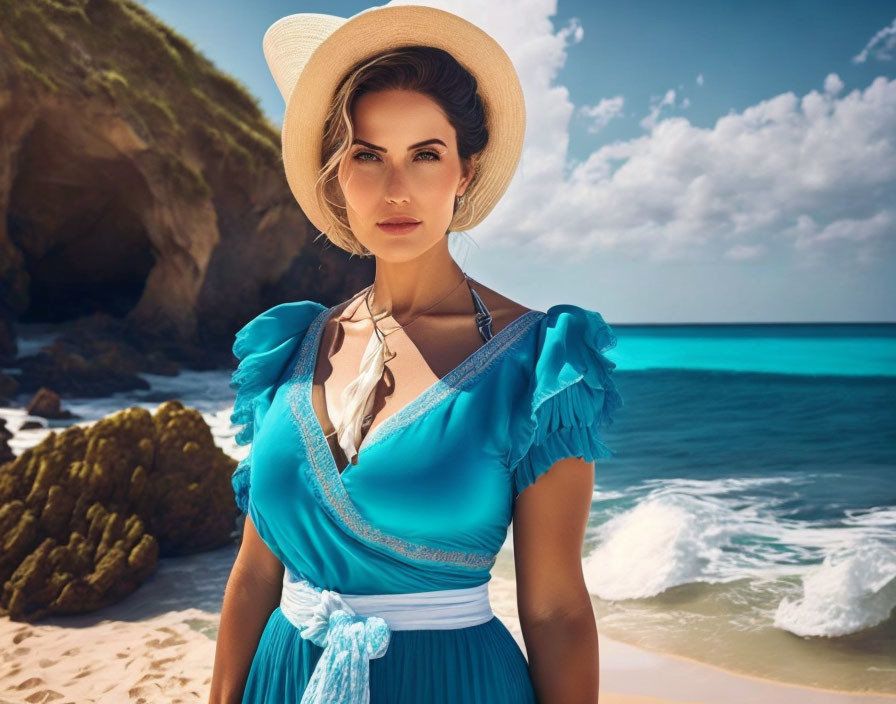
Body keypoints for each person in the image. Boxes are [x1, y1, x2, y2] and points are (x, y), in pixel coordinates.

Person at [209, 5, 623, 704]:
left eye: (425, 154)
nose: (395, 188)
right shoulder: (288, 350)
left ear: (465, 172)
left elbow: (555, 611)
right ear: (336, 175)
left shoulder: (536, 367)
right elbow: (254, 577)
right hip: (281, 683)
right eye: (366, 155)